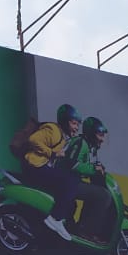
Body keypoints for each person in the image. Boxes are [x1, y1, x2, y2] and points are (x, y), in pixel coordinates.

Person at [17, 103, 84, 242]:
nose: (76, 127)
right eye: (74, 123)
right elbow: (33, 140)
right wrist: (52, 152)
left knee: (70, 187)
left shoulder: (63, 136)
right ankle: (56, 218)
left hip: (40, 167)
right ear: (65, 121)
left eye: (78, 124)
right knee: (70, 181)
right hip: (34, 168)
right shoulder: (53, 130)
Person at [62, 116, 115, 243]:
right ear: (91, 133)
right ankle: (86, 231)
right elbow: (73, 164)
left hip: (70, 181)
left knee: (94, 193)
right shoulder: (82, 143)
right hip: (66, 182)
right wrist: (93, 169)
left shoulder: (86, 145)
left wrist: (94, 169)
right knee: (103, 196)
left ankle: (82, 227)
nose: (102, 139)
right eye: (100, 135)